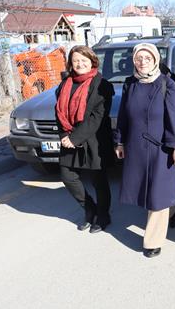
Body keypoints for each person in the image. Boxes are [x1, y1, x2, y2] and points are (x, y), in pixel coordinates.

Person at [115, 43, 175, 258]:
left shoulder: (167, 84)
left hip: (161, 147)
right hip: (136, 146)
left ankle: (152, 241)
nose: (142, 61)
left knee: (156, 193)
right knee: (152, 190)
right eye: (139, 58)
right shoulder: (130, 84)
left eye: (147, 57)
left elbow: (174, 117)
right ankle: (171, 207)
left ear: (155, 60)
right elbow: (123, 116)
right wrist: (119, 142)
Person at [55, 46, 114, 233]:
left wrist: (74, 138)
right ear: (70, 63)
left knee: (98, 180)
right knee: (67, 176)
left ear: (92, 61)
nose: (80, 64)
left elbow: (97, 117)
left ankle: (103, 215)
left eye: (83, 60)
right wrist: (65, 136)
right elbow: (58, 112)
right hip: (69, 137)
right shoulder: (65, 84)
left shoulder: (102, 85)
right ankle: (89, 208)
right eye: (76, 61)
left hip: (94, 140)